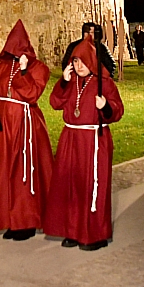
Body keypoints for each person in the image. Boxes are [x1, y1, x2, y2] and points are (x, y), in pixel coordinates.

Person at [43, 40, 123, 251]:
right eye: (75, 61)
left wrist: (105, 106)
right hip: (71, 139)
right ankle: (73, 231)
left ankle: (94, 234)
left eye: (83, 61)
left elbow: (118, 110)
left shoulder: (104, 83)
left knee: (92, 186)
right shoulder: (71, 82)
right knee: (71, 185)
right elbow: (55, 102)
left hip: (94, 140)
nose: (79, 66)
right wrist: (63, 81)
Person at [0, 20, 54, 239]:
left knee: (24, 170)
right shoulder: (1, 68)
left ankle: (26, 221)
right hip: (3, 126)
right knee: (3, 171)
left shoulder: (39, 69)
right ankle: (9, 220)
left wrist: (23, 72)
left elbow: (32, 94)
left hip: (26, 124)